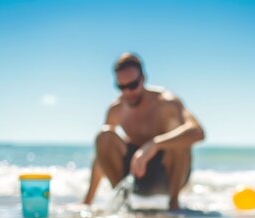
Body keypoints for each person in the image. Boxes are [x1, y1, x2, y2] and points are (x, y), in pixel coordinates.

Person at [83, 53, 205, 209]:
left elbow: (198, 132)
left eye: (132, 85)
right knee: (104, 135)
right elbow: (101, 156)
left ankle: (174, 205)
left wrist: (154, 144)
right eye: (121, 87)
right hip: (134, 176)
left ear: (143, 78)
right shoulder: (116, 109)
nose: (127, 92)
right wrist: (87, 201)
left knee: (181, 138)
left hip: (166, 176)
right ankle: (122, 203)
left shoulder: (166, 102)